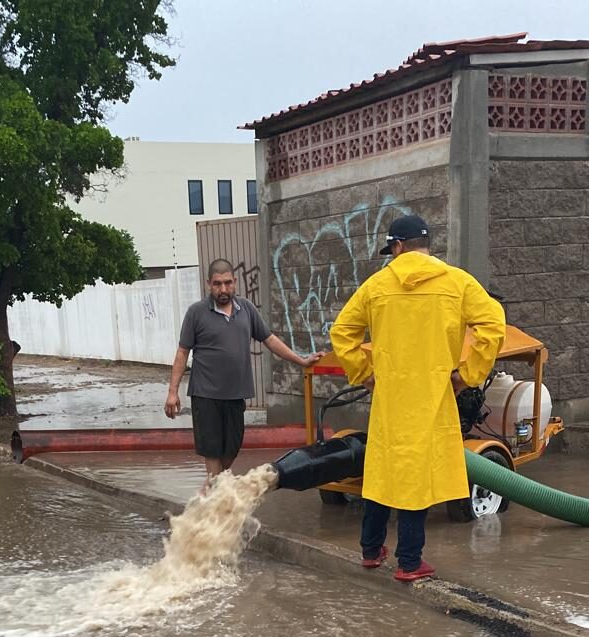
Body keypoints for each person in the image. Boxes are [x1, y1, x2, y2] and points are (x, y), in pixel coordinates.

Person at [329, 215, 505, 581]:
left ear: (396, 246)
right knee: (418, 477)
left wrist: (365, 374)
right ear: (426, 245)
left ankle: (370, 549)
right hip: (433, 396)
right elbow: (493, 325)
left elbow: (342, 331)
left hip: (389, 398)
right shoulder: (457, 283)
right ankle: (409, 561)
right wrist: (466, 375)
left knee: (382, 472)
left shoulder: (376, 286)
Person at [165, 258, 323, 487]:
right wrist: (172, 392)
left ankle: (211, 490)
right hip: (205, 394)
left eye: (228, 283)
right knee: (212, 450)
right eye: (217, 284)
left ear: (235, 282)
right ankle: (215, 500)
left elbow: (269, 339)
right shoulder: (196, 313)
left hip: (235, 394)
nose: (223, 289)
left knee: (231, 449)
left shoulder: (246, 309)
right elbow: (182, 352)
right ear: (209, 283)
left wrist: (301, 360)